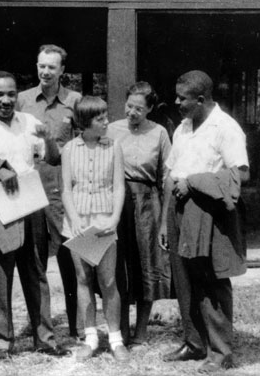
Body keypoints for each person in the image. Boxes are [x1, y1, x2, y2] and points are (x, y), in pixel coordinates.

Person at [0, 71, 70, 360]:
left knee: (36, 274)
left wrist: (50, 140)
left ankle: (45, 339)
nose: (5, 100)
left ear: (16, 95)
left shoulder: (30, 123)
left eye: (10, 94)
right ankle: (0, 343)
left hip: (31, 205)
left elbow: (53, 159)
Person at [159, 70, 250, 373]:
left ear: (200, 99)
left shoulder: (226, 128)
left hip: (209, 213)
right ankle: (194, 342)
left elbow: (242, 174)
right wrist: (164, 222)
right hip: (179, 210)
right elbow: (171, 176)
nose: (176, 103)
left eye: (181, 98)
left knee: (211, 280)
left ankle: (221, 352)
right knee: (183, 279)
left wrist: (196, 182)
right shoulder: (183, 128)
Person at [17, 44, 82, 339]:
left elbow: (83, 146)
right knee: (34, 259)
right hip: (31, 186)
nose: (45, 72)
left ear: (62, 71)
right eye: (41, 66)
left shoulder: (75, 101)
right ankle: (40, 325)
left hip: (61, 188)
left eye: (51, 67)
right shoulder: (21, 100)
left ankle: (78, 325)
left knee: (70, 255)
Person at [61, 96, 129, 362]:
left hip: (104, 222)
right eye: (100, 118)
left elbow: (119, 186)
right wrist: (75, 218)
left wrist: (114, 218)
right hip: (78, 223)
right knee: (83, 279)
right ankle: (90, 338)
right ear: (86, 122)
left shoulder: (113, 147)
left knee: (109, 280)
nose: (106, 122)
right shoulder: (69, 149)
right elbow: (66, 188)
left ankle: (115, 339)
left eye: (105, 116)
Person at [107, 82, 172, 346]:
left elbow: (167, 176)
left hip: (148, 202)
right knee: (118, 264)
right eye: (129, 106)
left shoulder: (159, 133)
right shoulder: (112, 130)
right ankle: (119, 329)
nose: (132, 112)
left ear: (150, 109)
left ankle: (142, 331)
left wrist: (165, 218)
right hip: (117, 201)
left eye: (139, 108)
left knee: (148, 263)